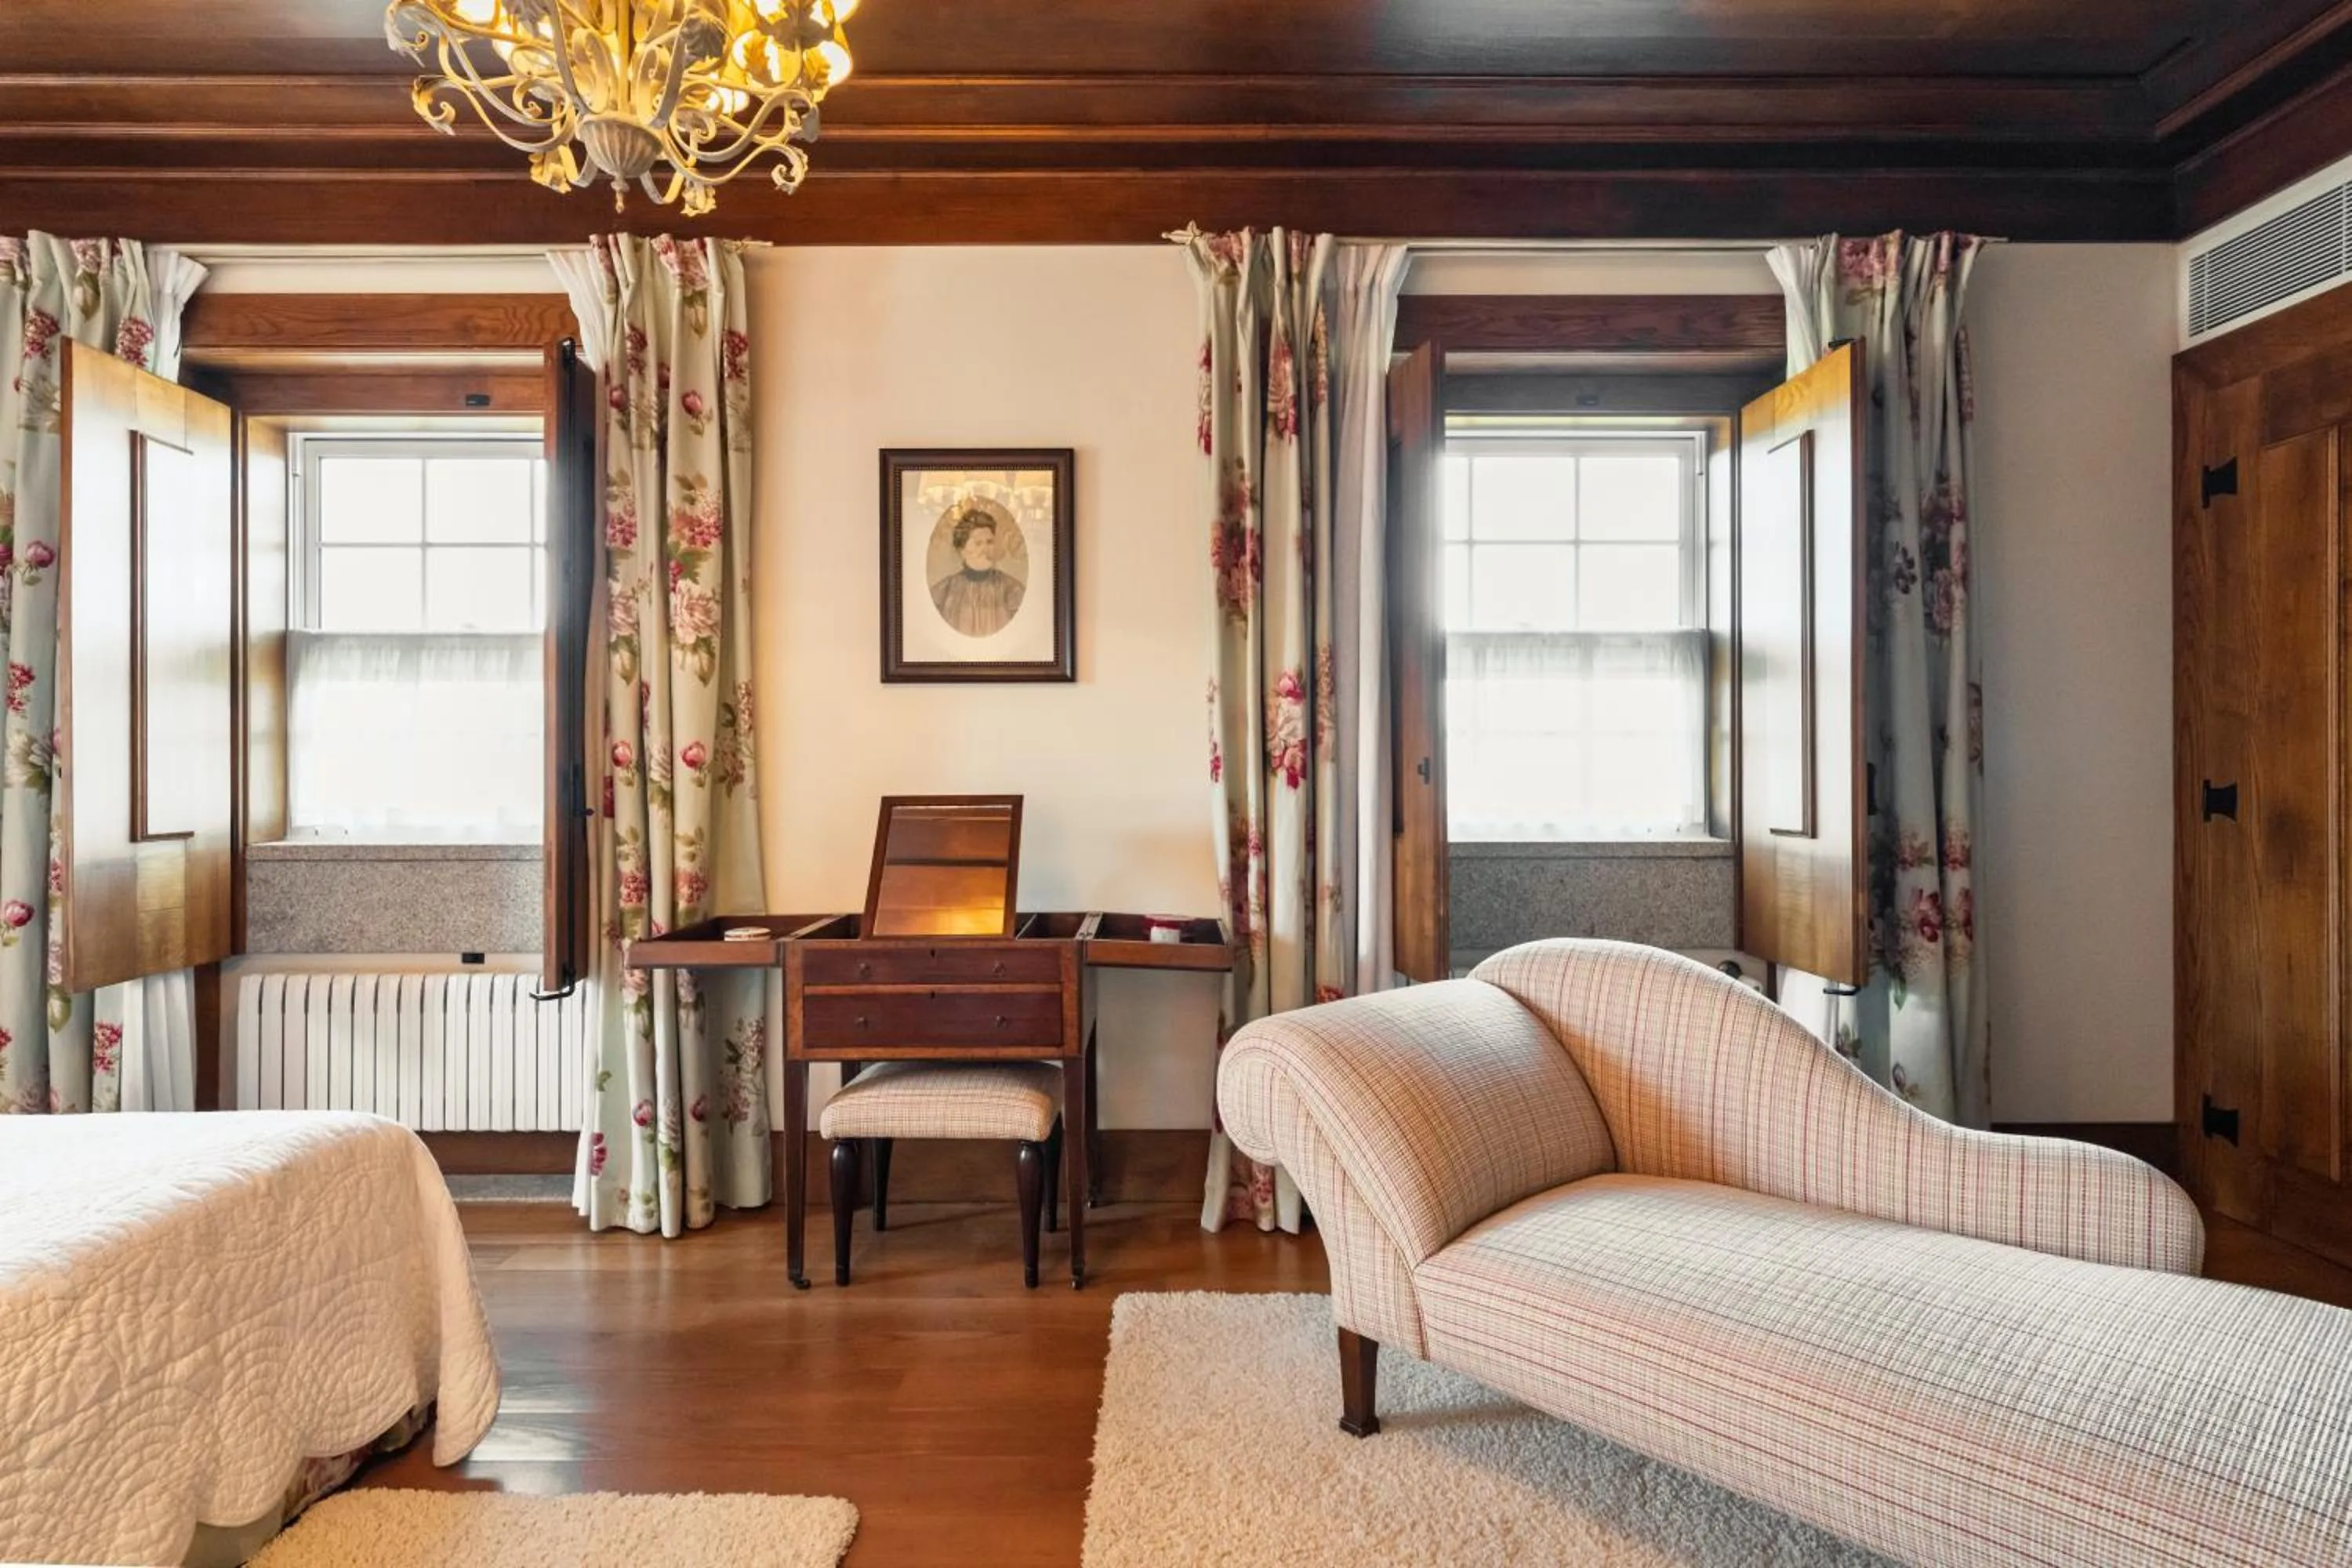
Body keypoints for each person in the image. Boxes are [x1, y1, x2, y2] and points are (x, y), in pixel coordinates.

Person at [929, 502, 1026, 637]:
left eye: (989, 542)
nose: (985, 549)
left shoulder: (1012, 590)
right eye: (978, 543)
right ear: (962, 549)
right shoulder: (944, 591)